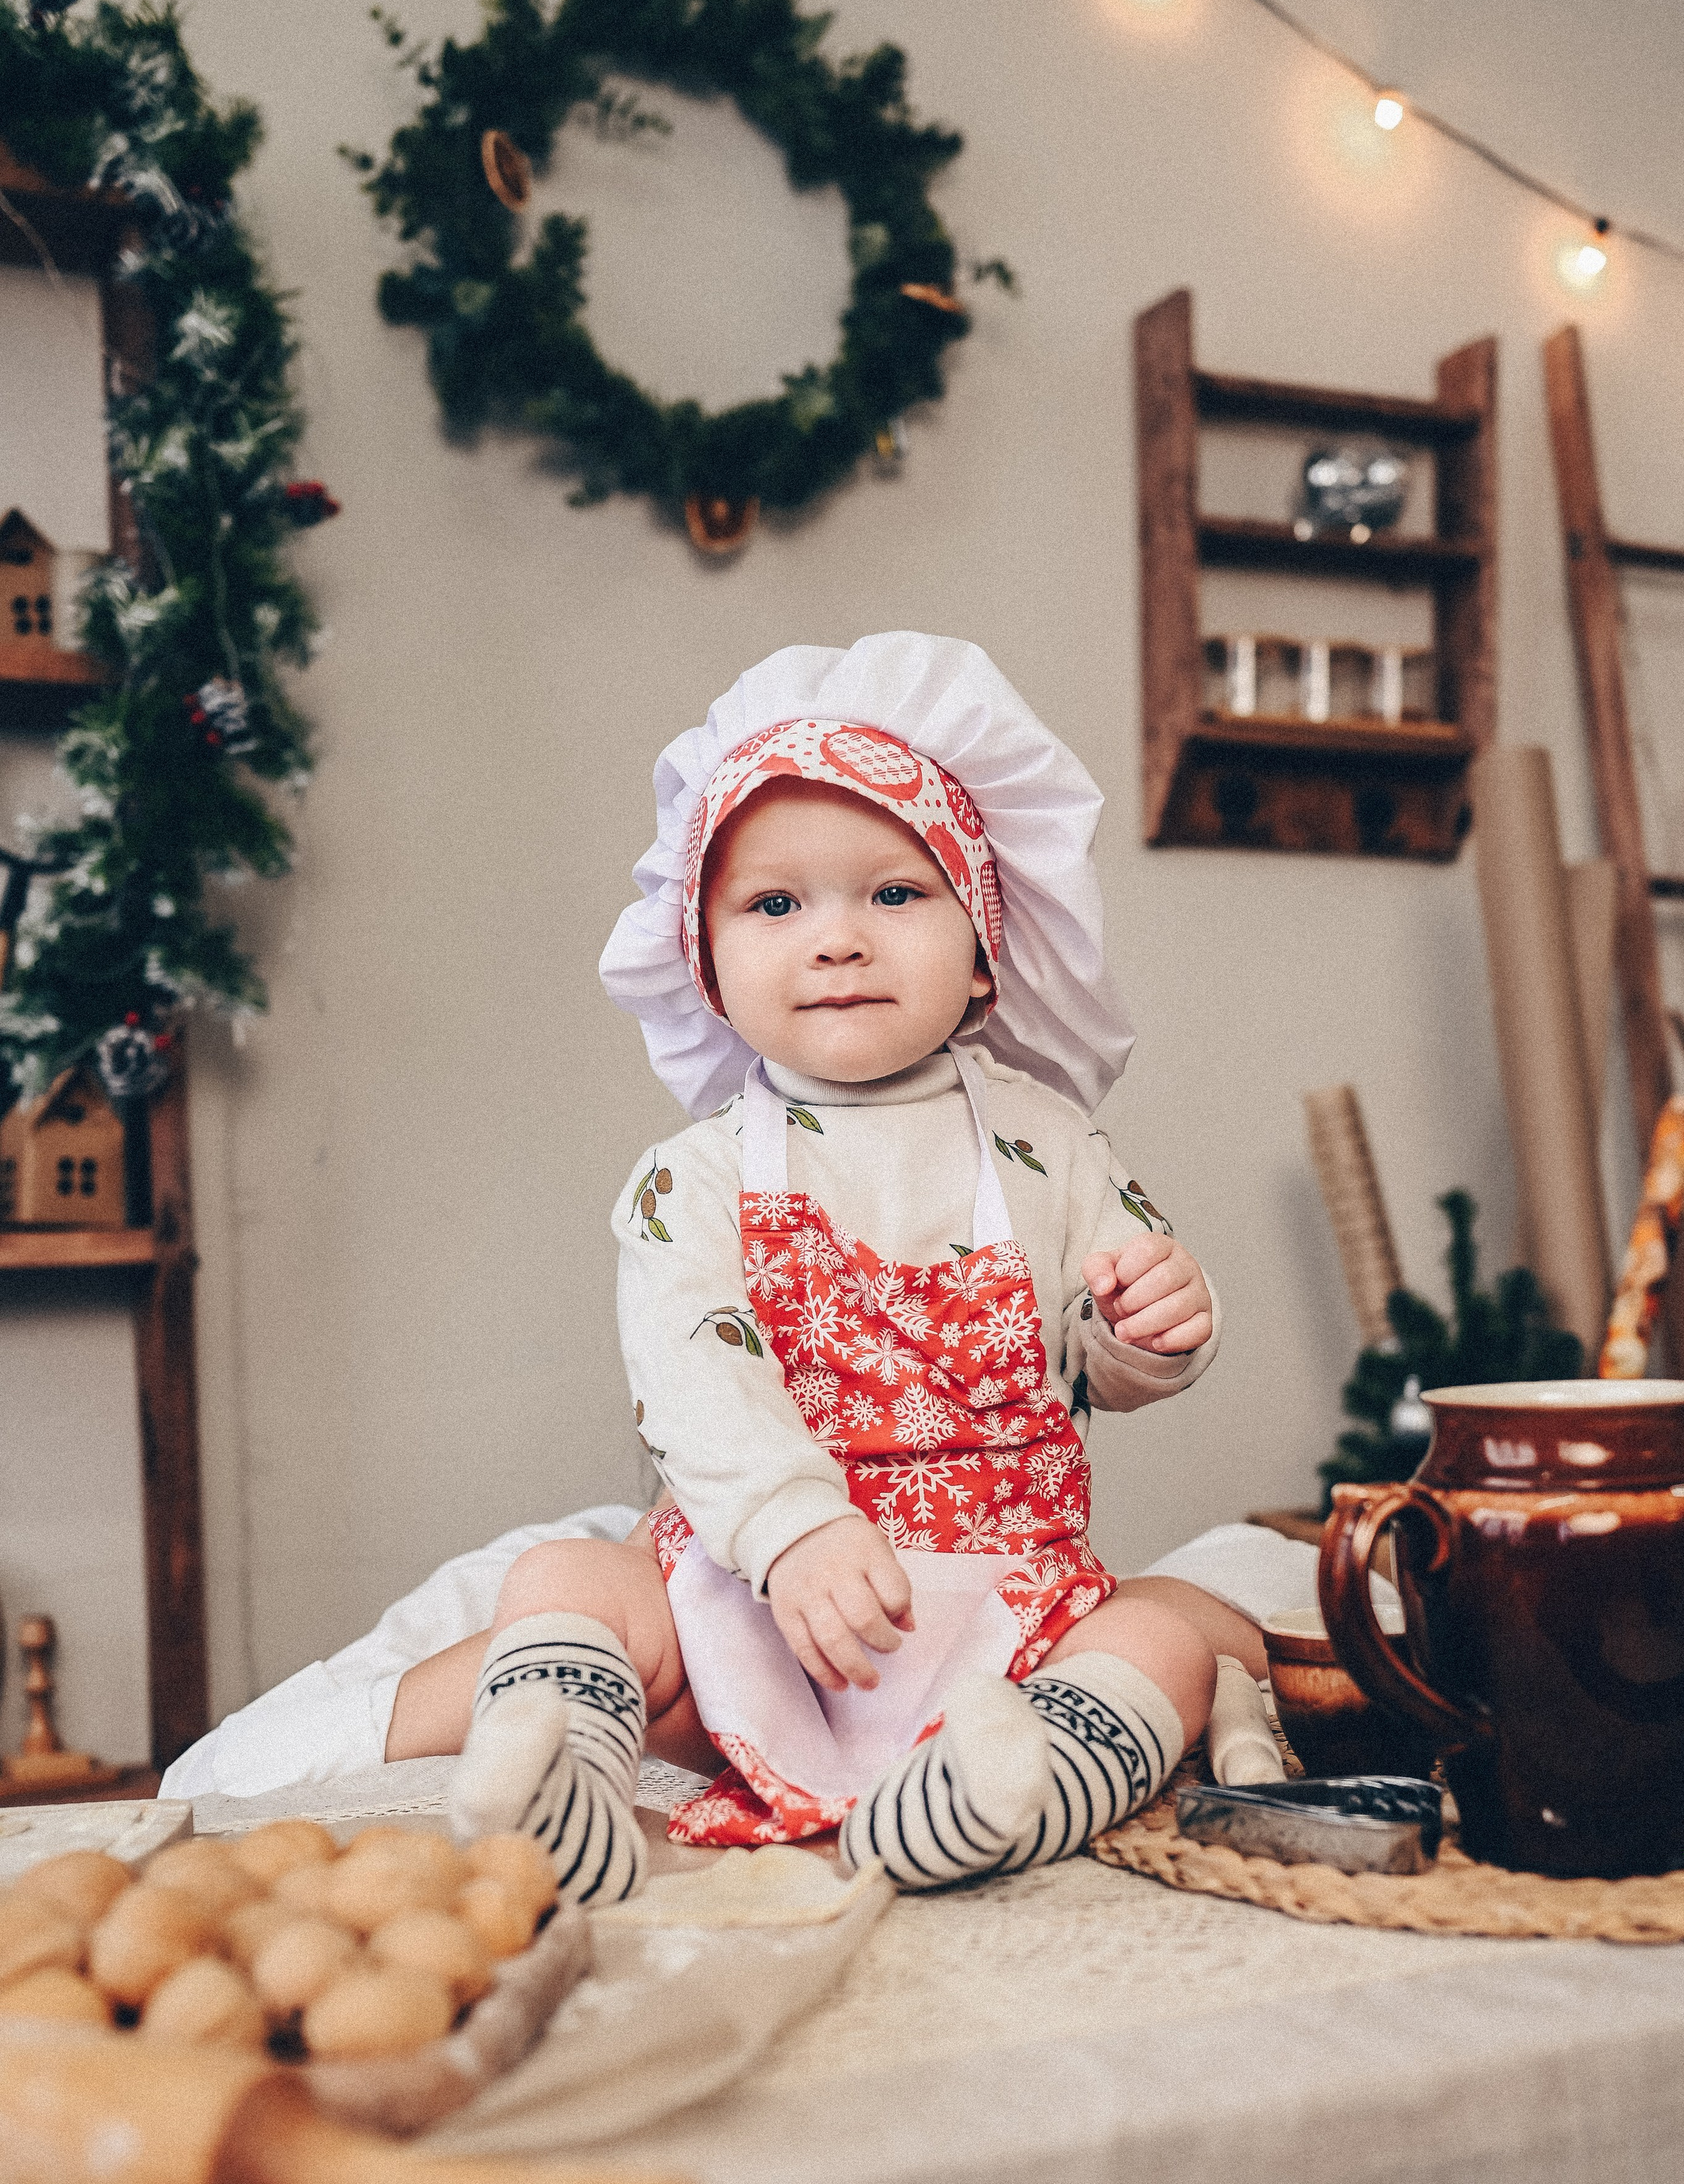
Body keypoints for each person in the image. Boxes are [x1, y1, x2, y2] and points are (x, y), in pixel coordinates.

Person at [387, 634, 1277, 1899]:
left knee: (1169, 1635)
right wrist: (795, 1532)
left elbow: (1104, 1347)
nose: (839, 941)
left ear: (983, 949)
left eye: (897, 896)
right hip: (756, 1608)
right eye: (776, 905)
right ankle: (564, 1760)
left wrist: (1153, 1327)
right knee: (571, 1580)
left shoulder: (1050, 1141)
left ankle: (1020, 1776)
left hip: (1004, 1612)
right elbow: (695, 1376)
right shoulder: (687, 1182)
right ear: (708, 965)